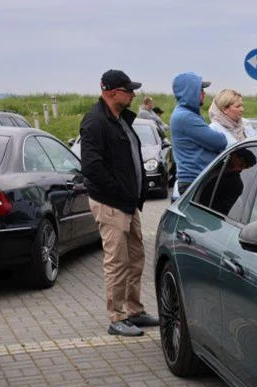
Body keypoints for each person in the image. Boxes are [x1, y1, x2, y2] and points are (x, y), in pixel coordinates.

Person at [79, 70, 158, 337]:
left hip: (129, 203)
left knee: (135, 258)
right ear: (113, 92)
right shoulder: (95, 122)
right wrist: (119, 191)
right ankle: (117, 317)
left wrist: (133, 195)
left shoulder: (120, 119)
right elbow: (91, 167)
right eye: (129, 90)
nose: (133, 94)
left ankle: (134, 311)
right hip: (111, 203)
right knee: (118, 261)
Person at [170, 72, 228, 194]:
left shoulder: (187, 113)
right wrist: (223, 135)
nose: (204, 93)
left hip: (196, 180)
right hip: (195, 181)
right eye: (200, 90)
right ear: (190, 92)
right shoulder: (186, 117)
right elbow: (219, 142)